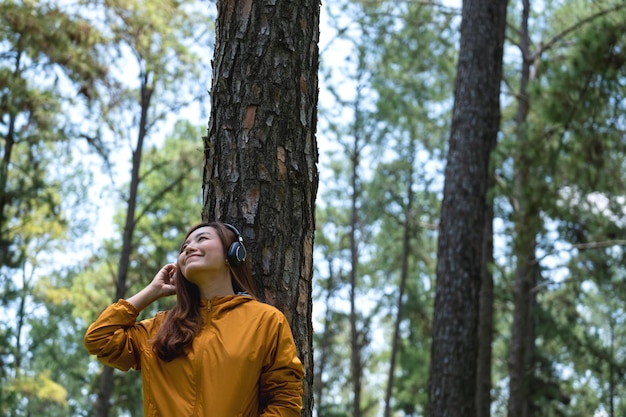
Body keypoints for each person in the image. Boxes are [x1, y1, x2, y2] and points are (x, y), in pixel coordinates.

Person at [84, 222, 304, 416]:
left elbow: (285, 402)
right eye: (184, 247)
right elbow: (100, 339)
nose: (189, 247)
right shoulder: (159, 328)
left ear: (233, 254)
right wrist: (152, 291)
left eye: (202, 238)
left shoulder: (265, 321)